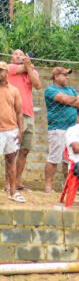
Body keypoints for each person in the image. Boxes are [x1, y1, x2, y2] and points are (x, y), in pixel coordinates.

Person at [43, 66, 79, 193]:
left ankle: (69, 187)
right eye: (64, 75)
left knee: (69, 160)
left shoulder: (70, 89)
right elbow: (63, 99)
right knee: (54, 158)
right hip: (57, 129)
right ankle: (48, 186)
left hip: (71, 130)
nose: (67, 77)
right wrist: (72, 99)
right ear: (56, 77)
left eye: (67, 75)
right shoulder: (50, 90)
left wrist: (68, 100)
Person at [6, 50, 41, 192]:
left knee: (25, 150)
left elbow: (37, 85)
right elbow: (21, 67)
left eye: (21, 54)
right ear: (11, 58)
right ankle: (8, 184)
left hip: (29, 114)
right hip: (13, 114)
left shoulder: (31, 71)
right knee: (11, 151)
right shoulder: (9, 68)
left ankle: (17, 182)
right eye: (16, 54)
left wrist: (29, 68)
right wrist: (28, 65)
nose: (18, 56)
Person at [0, 61, 24, 201]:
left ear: (7, 72)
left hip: (11, 130)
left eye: (1, 70)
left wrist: (20, 130)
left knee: (11, 161)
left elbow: (19, 112)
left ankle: (13, 192)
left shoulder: (14, 90)